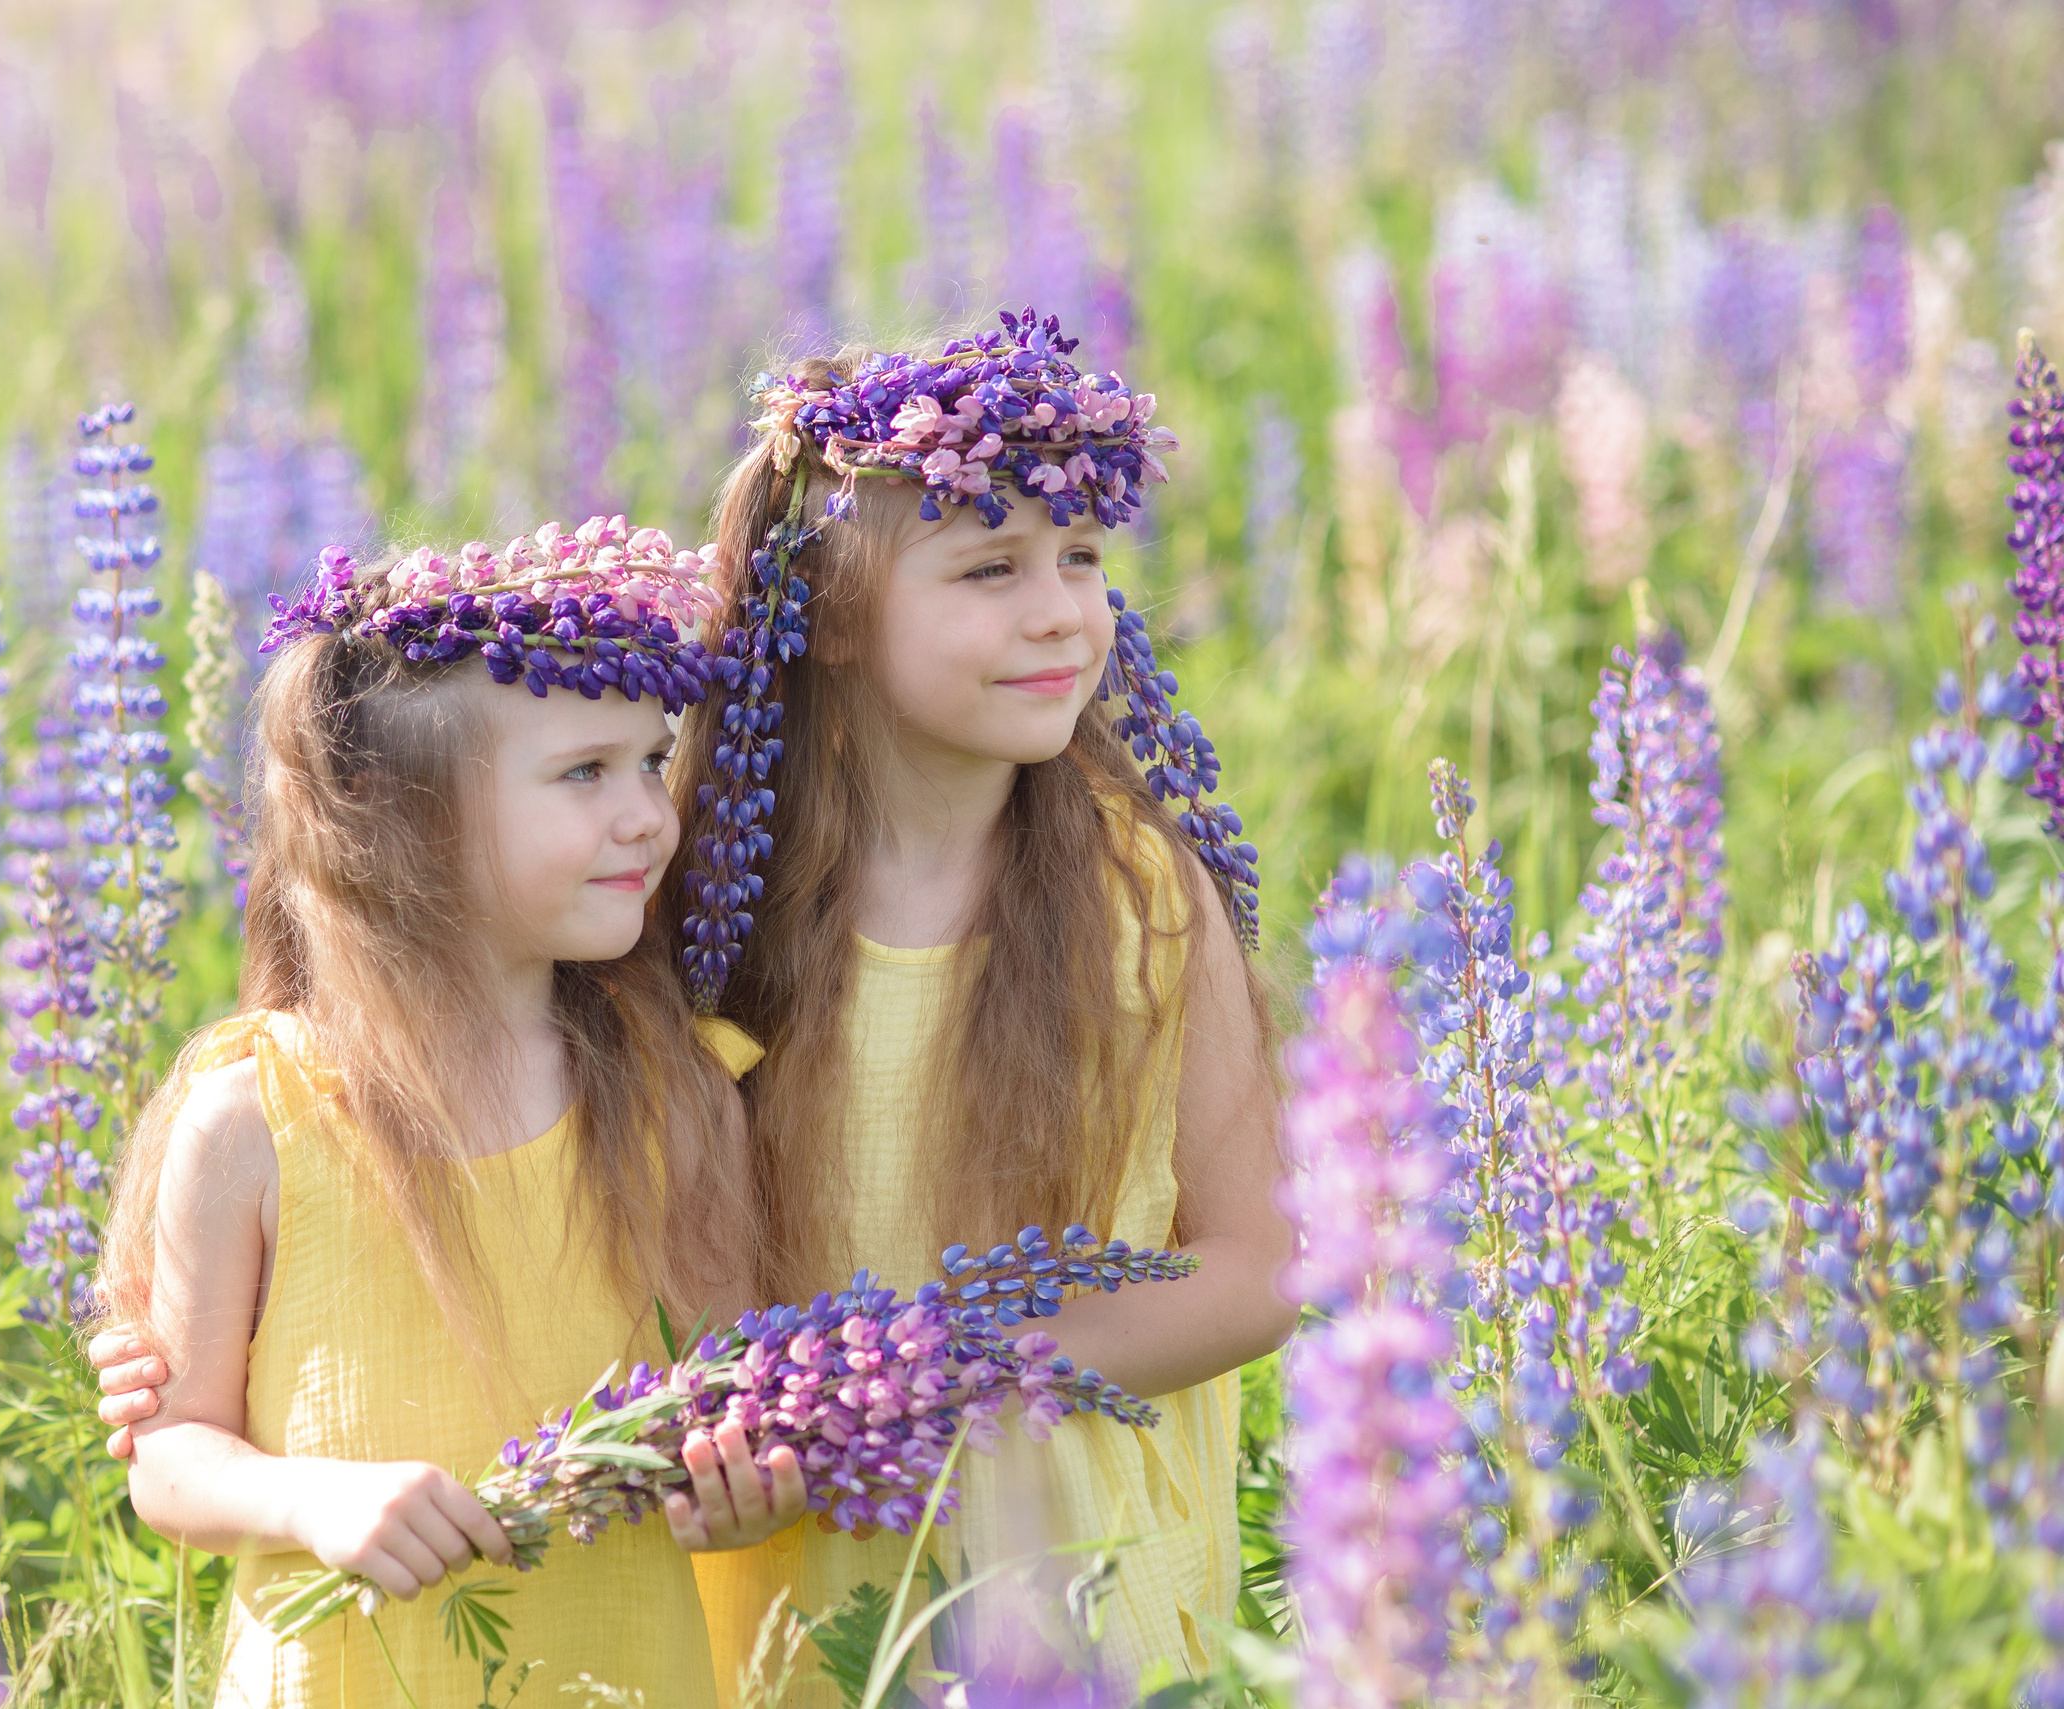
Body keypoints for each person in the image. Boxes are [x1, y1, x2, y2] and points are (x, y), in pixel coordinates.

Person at [667, 309, 1294, 1697]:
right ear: (829, 612)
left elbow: (1263, 1263)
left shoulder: (1144, 895)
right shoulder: (712, 920)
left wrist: (966, 1365)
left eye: (1078, 557)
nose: (1060, 610)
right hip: (826, 1602)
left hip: (1098, 1593)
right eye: (990, 567)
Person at [95, 518, 805, 1708]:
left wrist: (746, 1481)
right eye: (584, 772)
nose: (646, 813)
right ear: (405, 821)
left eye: (649, 759)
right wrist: (312, 1498)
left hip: (614, 1671)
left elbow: (718, 1405)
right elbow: (170, 1458)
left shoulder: (675, 1097)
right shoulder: (255, 1113)